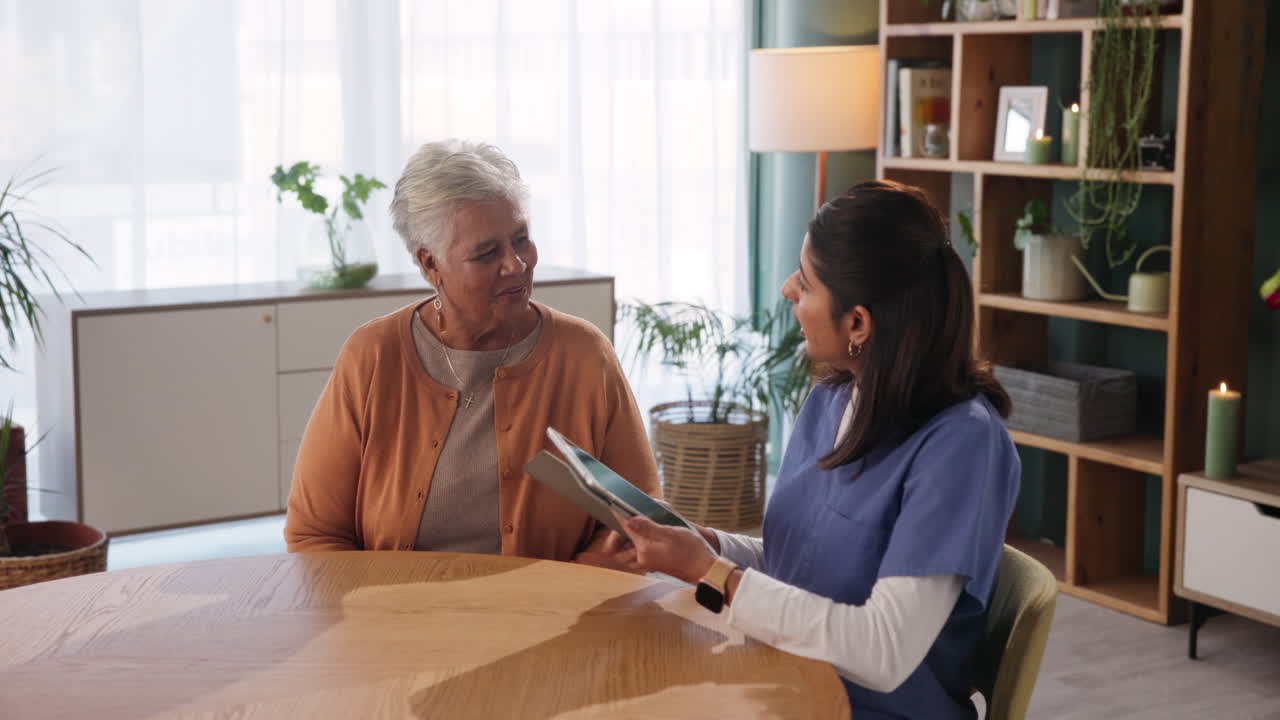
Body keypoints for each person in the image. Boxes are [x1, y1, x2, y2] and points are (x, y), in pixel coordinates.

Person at [617, 180, 1020, 719]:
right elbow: (802, 567)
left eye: (805, 284)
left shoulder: (962, 446)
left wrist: (714, 575)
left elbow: (883, 651)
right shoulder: (833, 399)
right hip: (780, 683)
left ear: (858, 322)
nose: (787, 289)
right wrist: (705, 544)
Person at [285, 139, 655, 572]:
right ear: (430, 264)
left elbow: (641, 522)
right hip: (394, 623)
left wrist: (568, 591)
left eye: (521, 240)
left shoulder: (584, 355)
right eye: (486, 253)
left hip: (550, 619)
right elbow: (315, 534)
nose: (516, 265)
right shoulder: (373, 356)